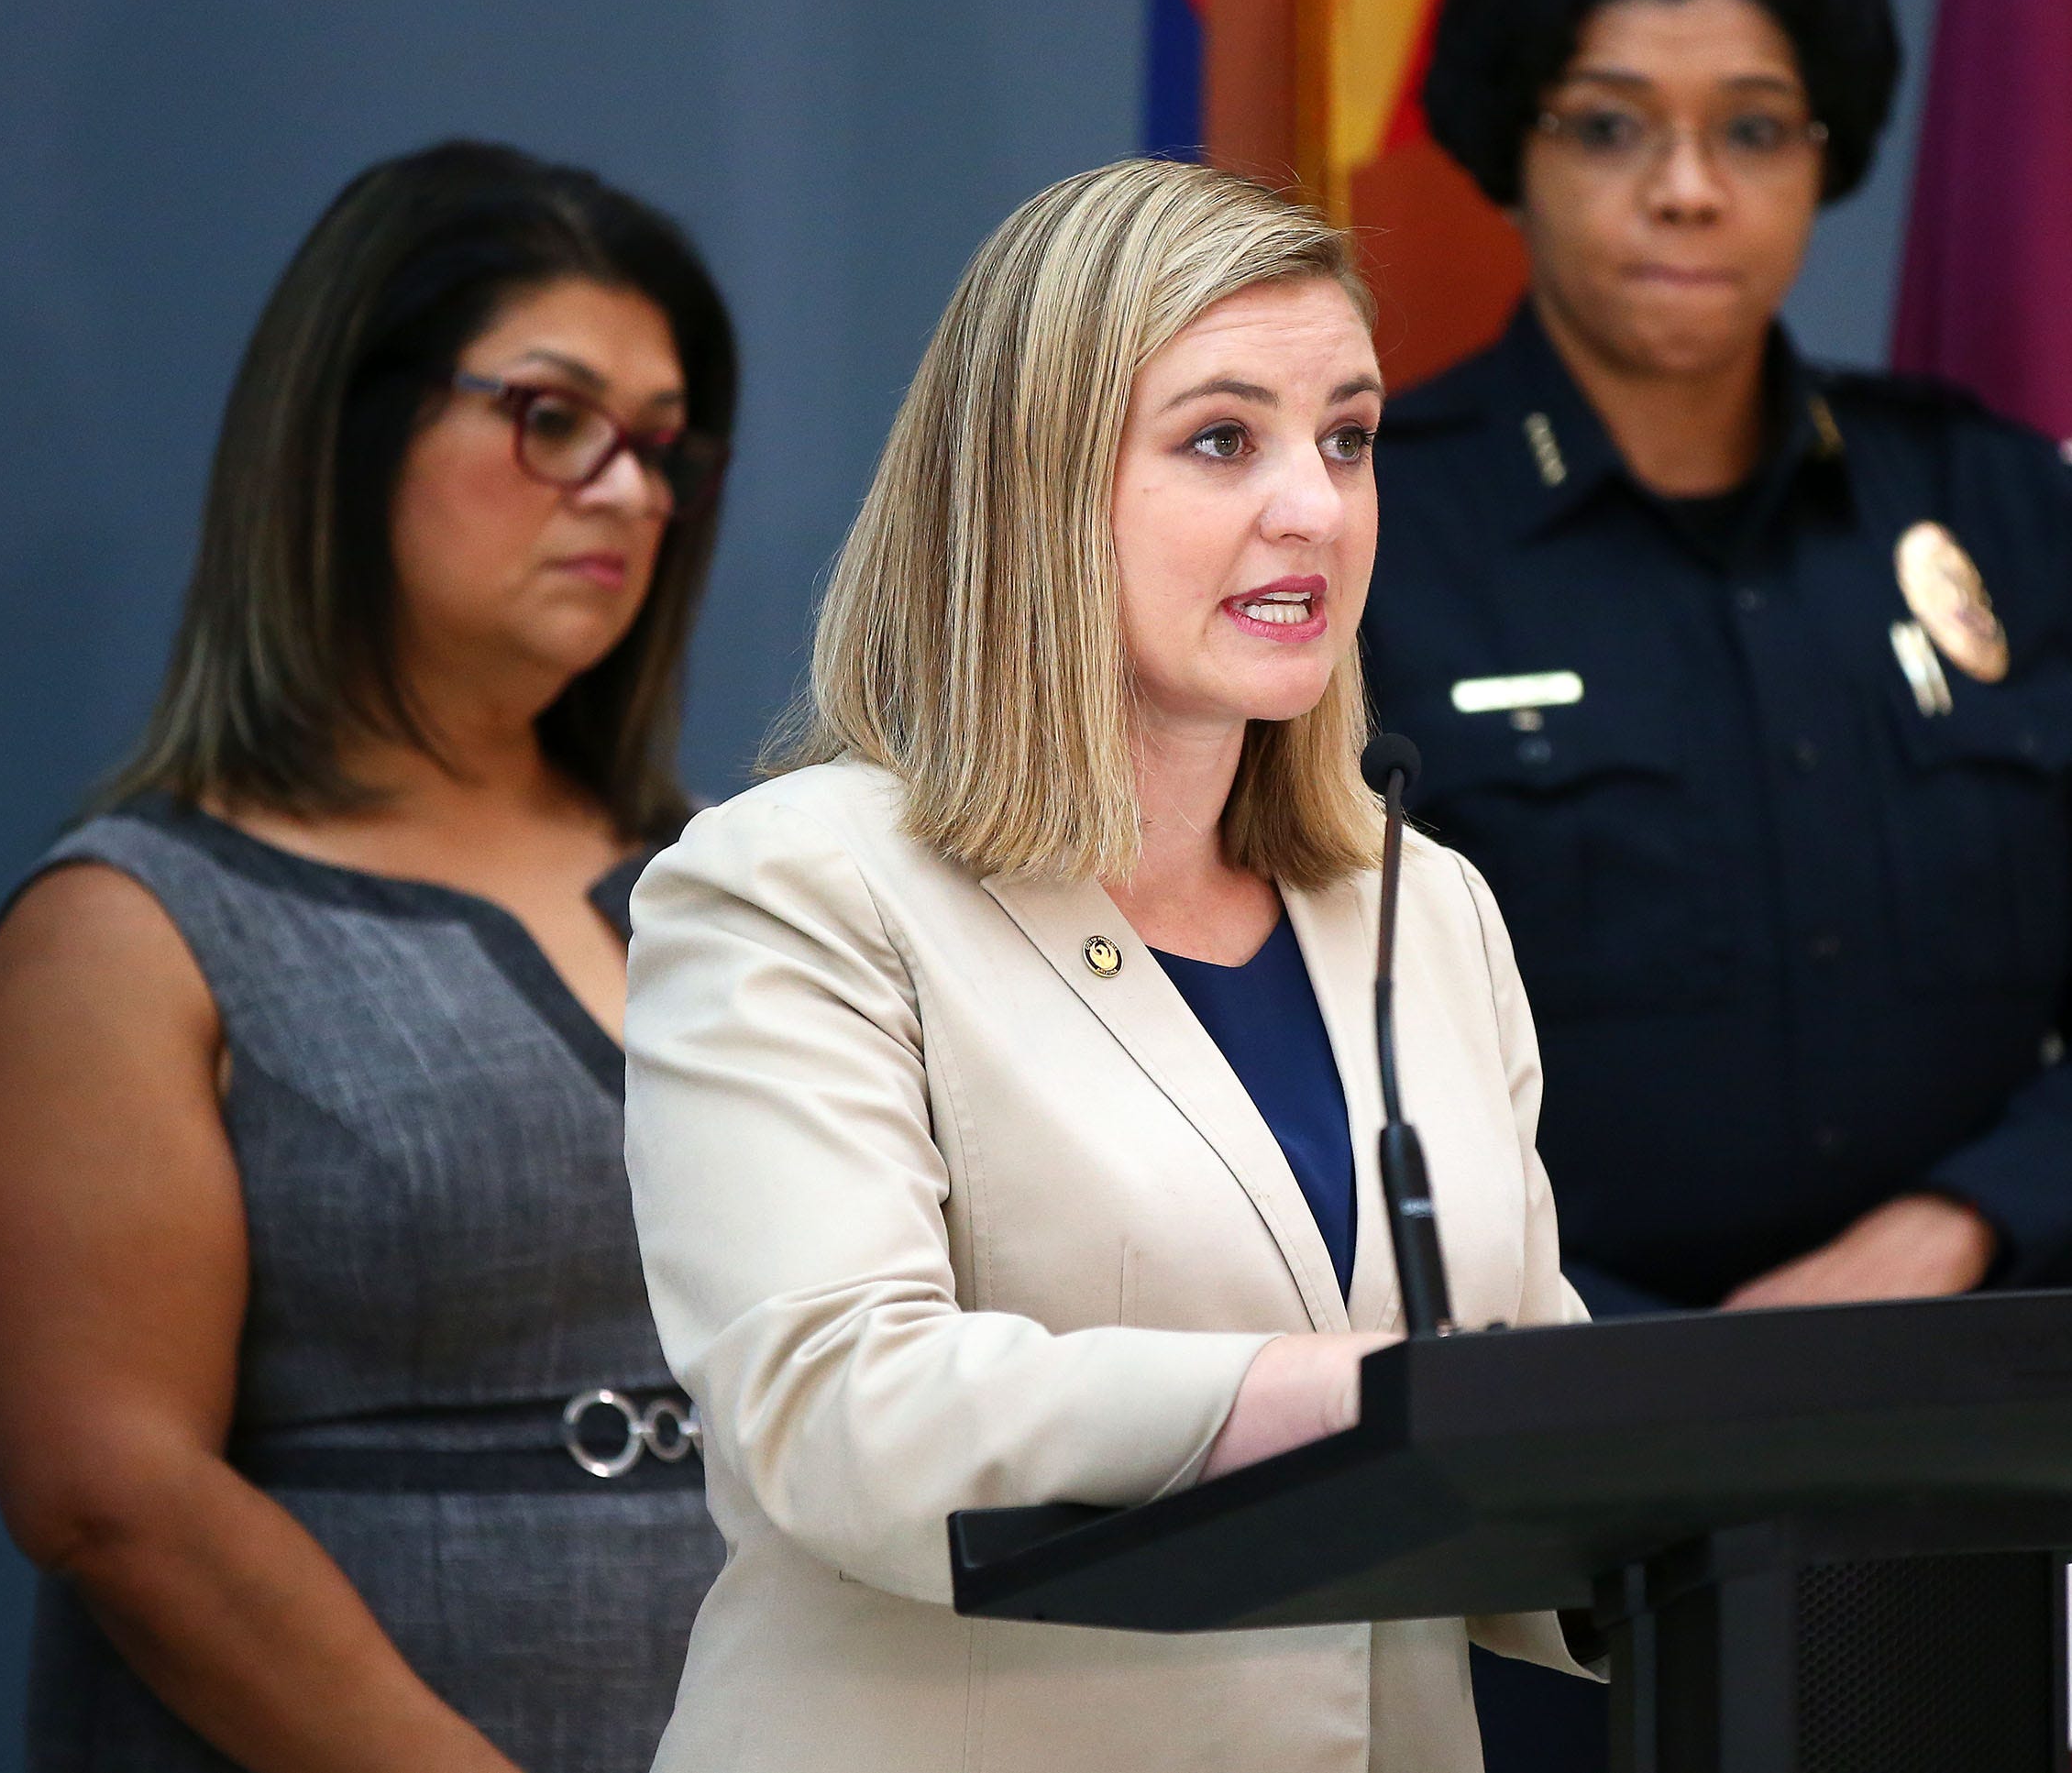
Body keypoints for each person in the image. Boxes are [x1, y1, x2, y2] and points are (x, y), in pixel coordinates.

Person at [1359, 0, 2072, 1767]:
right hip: (1515, 1534)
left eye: (1754, 128)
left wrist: (1956, 1232)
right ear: (1510, 144)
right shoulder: (1374, 538)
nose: (1689, 188)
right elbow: (1277, 1073)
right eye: (1614, 126)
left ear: (1830, 152)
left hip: (1943, 1505)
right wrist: (1649, 1373)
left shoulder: (2004, 517)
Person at [620, 157, 1588, 1773]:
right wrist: (1329, 1395)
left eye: (1348, 437)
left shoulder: (1428, 908)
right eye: (1223, 439)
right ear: (1032, 490)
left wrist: (1738, 1535)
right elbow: (841, 1410)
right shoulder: (799, 883)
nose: (1315, 506)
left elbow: (1527, 1407)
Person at [0, 141, 740, 1772]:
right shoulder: (131, 925)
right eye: (550, 414)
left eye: (660, 445)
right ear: (352, 429)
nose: (628, 489)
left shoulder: (737, 879)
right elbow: (114, 1498)